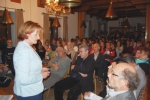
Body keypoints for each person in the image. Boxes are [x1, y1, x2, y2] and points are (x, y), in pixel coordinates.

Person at [13, 21, 50, 100]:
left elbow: (28, 67)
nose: (38, 37)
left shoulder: (27, 47)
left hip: (30, 91)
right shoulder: (24, 51)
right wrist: (41, 75)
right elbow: (23, 79)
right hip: (29, 93)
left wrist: (40, 69)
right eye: (36, 34)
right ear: (27, 34)